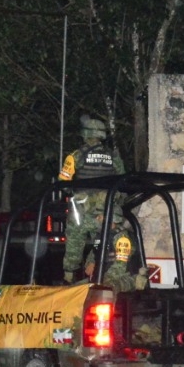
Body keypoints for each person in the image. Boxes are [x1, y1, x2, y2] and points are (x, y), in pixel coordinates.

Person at [59, 117, 125, 282]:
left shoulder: (76, 156)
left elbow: (63, 182)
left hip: (82, 211)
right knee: (105, 240)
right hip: (107, 212)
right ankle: (104, 272)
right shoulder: (113, 156)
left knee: (74, 237)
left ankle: (69, 274)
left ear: (85, 134)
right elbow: (123, 181)